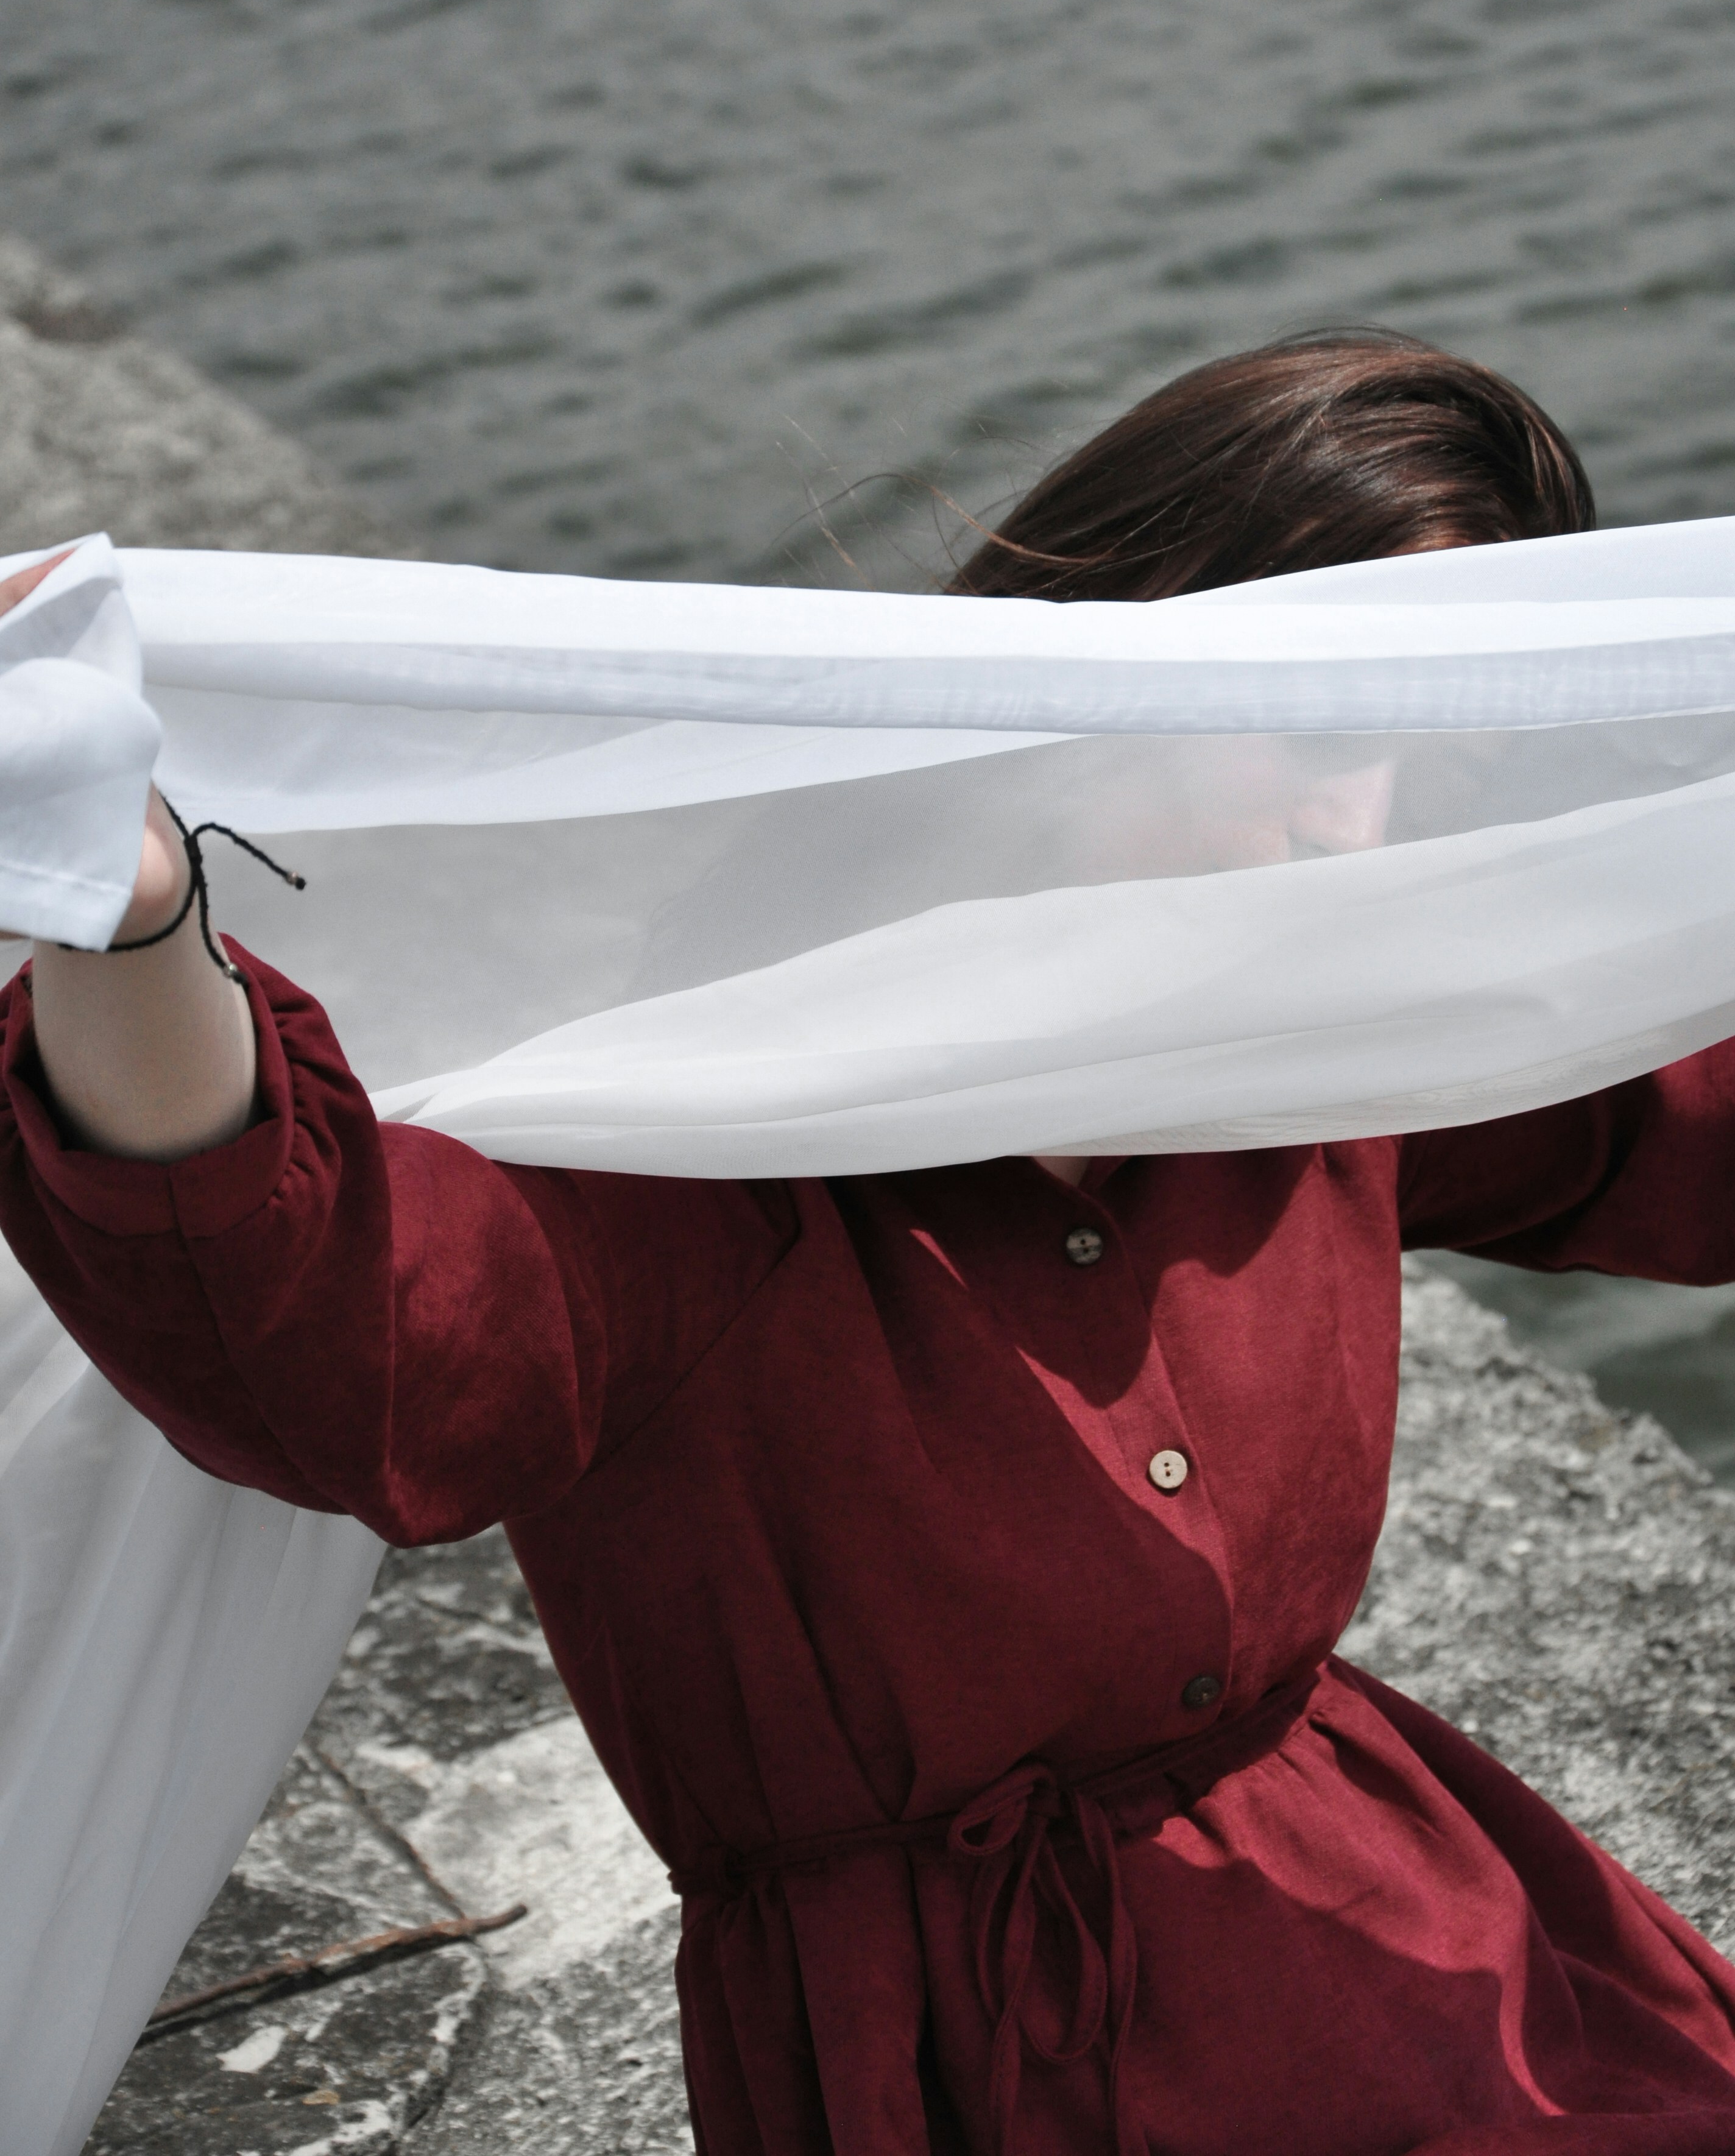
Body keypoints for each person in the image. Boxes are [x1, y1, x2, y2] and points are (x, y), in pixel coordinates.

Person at [6, 328, 1735, 2156]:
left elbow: (1671, 1112)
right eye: (1317, 735)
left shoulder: (1335, 1025)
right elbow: (343, 1336)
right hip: (958, 2076)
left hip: (1426, 1953)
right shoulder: (712, 1117)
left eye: (1422, 776)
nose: (1357, 824)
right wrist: (132, 919)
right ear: (1105, 659)